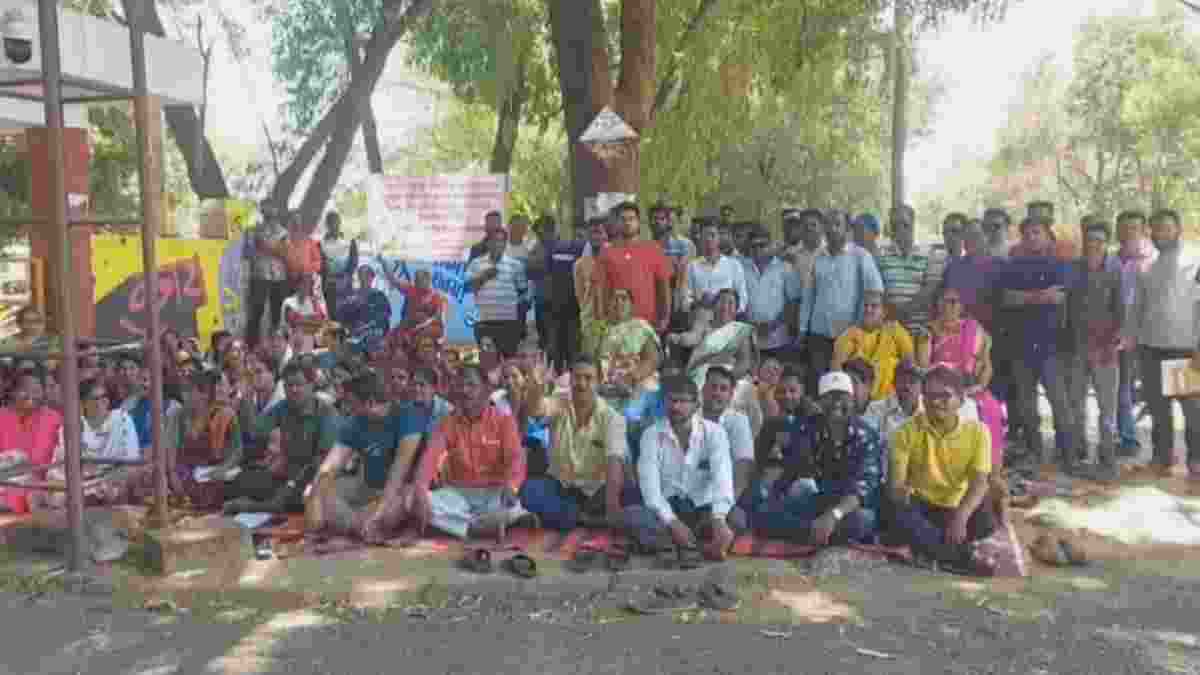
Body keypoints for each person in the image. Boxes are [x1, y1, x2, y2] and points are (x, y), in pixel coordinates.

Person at [744, 371, 884, 546]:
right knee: (765, 513)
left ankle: (812, 532)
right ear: (820, 402)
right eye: (830, 397)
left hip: (852, 508)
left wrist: (833, 516)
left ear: (852, 400)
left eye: (842, 397)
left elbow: (863, 487)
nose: (837, 403)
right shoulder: (809, 428)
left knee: (862, 521)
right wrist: (760, 500)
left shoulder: (866, 435)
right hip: (822, 500)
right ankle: (817, 532)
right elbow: (787, 469)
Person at [887, 365, 997, 576]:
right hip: (922, 506)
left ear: (961, 399)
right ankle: (960, 557)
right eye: (929, 396)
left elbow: (979, 483)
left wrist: (960, 518)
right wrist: (900, 492)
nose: (936, 403)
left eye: (944, 396)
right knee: (897, 512)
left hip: (956, 506)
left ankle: (935, 549)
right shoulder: (904, 433)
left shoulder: (978, 432)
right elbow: (895, 487)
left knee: (986, 516)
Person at [409, 365, 530, 541]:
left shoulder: (504, 420)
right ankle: (480, 526)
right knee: (415, 500)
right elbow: (430, 458)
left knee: (512, 506)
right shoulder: (448, 422)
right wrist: (420, 490)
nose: (464, 391)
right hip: (458, 494)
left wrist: (512, 486)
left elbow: (516, 458)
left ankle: (465, 525)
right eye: (461, 385)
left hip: (494, 494)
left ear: (486, 389)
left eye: (471, 385)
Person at [305, 374, 429, 543]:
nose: (346, 408)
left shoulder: (408, 415)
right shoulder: (354, 422)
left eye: (351, 403)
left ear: (370, 402)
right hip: (365, 489)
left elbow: (399, 470)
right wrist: (314, 498)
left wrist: (378, 513)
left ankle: (358, 524)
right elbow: (330, 467)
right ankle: (360, 525)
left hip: (399, 491)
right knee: (314, 491)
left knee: (392, 510)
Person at [519, 357, 637, 532]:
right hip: (560, 486)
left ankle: (571, 518)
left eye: (588, 378)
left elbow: (614, 464)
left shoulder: (613, 418)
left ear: (599, 381)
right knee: (529, 491)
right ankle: (582, 519)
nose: (581, 384)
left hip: (597, 491)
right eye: (576, 377)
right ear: (570, 379)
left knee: (630, 493)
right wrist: (536, 388)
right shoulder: (559, 403)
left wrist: (612, 508)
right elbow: (536, 410)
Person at [626, 375, 736, 559]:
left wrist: (719, 518)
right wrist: (672, 522)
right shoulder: (651, 435)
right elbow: (650, 490)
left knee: (736, 518)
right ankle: (690, 544)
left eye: (683, 401)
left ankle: (674, 544)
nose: (676, 407)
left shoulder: (715, 433)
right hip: (666, 509)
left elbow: (722, 478)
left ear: (696, 405)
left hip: (702, 510)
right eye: (671, 401)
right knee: (633, 516)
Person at [1127, 209, 1200, 476]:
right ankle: (1162, 457)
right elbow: (1138, 308)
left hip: (1184, 348)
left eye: (1166, 228)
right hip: (1151, 348)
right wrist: (1133, 341)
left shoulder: (1195, 260)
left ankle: (1196, 460)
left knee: (1192, 410)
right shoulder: (1147, 265)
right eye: (1156, 229)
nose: (1161, 234)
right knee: (1159, 410)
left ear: (1178, 229)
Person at [994, 216, 1071, 464]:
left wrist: (1025, 297)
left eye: (1036, 232)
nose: (1031, 237)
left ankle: (1067, 452)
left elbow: (1058, 298)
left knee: (1059, 401)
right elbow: (1007, 298)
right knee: (1027, 404)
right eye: (1027, 234)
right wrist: (1040, 296)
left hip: (1051, 346)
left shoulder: (1059, 264)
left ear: (1048, 236)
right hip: (1021, 345)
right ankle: (1034, 451)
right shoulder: (1013, 265)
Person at [225, 362, 341, 514]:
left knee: (292, 498)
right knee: (240, 481)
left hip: (315, 477)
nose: (293, 390)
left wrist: (292, 484)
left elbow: (321, 461)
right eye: (288, 385)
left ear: (311, 385)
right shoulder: (284, 406)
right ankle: (259, 505)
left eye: (298, 384)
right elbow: (254, 431)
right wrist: (246, 398)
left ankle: (251, 507)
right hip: (286, 473)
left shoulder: (327, 413)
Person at [1058, 221, 1124, 480]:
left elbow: (1121, 310)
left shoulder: (1115, 269)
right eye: (1089, 239)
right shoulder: (1074, 268)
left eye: (1098, 239)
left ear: (1106, 242)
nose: (1093, 244)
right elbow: (1066, 307)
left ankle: (1108, 459)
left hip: (1105, 350)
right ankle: (1078, 455)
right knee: (1076, 406)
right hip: (1076, 349)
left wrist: (1114, 342)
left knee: (1107, 408)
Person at [916, 285, 1006, 470]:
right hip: (940, 388)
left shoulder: (974, 329)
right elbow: (923, 367)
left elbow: (986, 365)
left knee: (992, 409)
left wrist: (980, 386)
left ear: (961, 306)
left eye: (953, 302)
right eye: (944, 301)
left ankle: (990, 469)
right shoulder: (927, 331)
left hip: (971, 387)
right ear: (937, 304)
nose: (948, 306)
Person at [798, 210, 884, 397]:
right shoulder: (818, 257)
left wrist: (866, 326)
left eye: (837, 224)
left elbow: (875, 291)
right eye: (828, 224)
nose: (831, 229)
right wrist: (803, 329)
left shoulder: (861, 256)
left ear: (847, 229)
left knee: (848, 388)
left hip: (851, 336)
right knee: (821, 387)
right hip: (819, 336)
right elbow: (808, 296)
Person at [594, 202, 673, 335]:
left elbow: (664, 285)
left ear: (638, 222)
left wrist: (665, 318)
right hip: (616, 325)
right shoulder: (606, 252)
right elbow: (600, 289)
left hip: (647, 324)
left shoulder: (653, 249)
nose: (627, 223)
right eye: (623, 219)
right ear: (616, 223)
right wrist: (601, 320)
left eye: (631, 219)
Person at [1114, 209, 1156, 456]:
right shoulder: (1111, 261)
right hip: (1121, 339)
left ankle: (1167, 447)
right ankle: (1128, 439)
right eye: (1124, 228)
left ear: (1143, 231)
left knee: (1162, 394)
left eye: (1134, 228)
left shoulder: (1154, 260)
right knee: (1123, 391)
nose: (1129, 233)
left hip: (1152, 339)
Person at [832, 290, 914, 402]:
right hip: (858, 400)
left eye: (874, 306)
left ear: (884, 312)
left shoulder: (896, 331)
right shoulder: (849, 335)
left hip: (891, 400)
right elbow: (837, 370)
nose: (868, 310)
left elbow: (909, 365)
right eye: (865, 306)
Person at [0, 373, 64, 513]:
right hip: (6, 481)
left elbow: (60, 458)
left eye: (36, 390)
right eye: (25, 389)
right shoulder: (2, 416)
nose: (30, 395)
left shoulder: (54, 418)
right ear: (13, 392)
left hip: (41, 486)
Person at [466, 226, 528, 357]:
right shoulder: (476, 263)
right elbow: (467, 287)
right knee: (487, 359)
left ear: (505, 243)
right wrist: (483, 276)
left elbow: (523, 293)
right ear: (488, 243)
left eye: (501, 241)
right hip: (484, 323)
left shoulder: (515, 265)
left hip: (508, 323)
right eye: (494, 241)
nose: (498, 244)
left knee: (509, 361)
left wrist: (520, 324)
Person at [876, 204, 937, 335]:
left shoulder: (927, 255)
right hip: (890, 333)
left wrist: (903, 313)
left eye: (904, 224)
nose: (899, 229)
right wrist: (894, 314)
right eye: (894, 225)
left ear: (913, 225)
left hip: (920, 333)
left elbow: (929, 290)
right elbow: (879, 292)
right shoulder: (881, 256)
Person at [535, 217, 586, 372]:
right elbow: (543, 272)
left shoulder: (578, 249)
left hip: (574, 310)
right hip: (552, 310)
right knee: (554, 354)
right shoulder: (548, 251)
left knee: (573, 353)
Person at [742, 227, 801, 362]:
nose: (758, 249)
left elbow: (793, 302)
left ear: (770, 245)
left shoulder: (785, 268)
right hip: (750, 340)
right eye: (754, 246)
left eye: (762, 245)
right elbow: (739, 301)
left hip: (778, 339)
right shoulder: (741, 268)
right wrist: (751, 326)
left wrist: (774, 325)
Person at [701, 366, 756, 507]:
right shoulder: (689, 418)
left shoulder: (738, 421)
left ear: (731, 395)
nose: (717, 393)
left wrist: (723, 509)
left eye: (723, 389)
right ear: (703, 390)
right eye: (713, 387)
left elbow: (743, 468)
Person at [245, 202, 291, 350]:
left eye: (272, 207)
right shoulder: (253, 230)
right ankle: (252, 347)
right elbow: (248, 252)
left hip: (279, 277)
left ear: (276, 210)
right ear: (261, 210)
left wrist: (266, 247)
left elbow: (285, 254)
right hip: (259, 275)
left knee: (277, 315)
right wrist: (276, 248)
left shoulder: (283, 232)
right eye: (266, 208)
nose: (269, 210)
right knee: (255, 313)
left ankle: (276, 347)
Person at [599, 288, 661, 393]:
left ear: (631, 305)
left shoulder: (641, 326)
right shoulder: (600, 329)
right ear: (608, 305)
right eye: (614, 299)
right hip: (604, 383)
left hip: (636, 380)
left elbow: (652, 359)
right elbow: (589, 360)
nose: (619, 302)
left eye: (624, 298)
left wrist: (632, 378)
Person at [650, 202, 696, 334]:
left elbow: (683, 275)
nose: (657, 222)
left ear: (668, 221)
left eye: (661, 219)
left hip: (677, 304)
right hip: (654, 304)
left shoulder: (684, 245)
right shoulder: (645, 246)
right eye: (654, 219)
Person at [687, 221, 748, 315]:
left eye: (712, 235)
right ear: (700, 238)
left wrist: (727, 309)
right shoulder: (692, 266)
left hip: (727, 322)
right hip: (700, 320)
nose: (708, 239)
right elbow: (686, 298)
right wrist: (698, 303)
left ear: (719, 238)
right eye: (705, 235)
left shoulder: (734, 265)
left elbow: (742, 298)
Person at [335, 265, 392, 355]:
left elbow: (385, 317)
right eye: (361, 275)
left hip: (372, 334)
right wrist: (350, 305)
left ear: (372, 277)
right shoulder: (351, 295)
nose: (363, 278)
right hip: (354, 334)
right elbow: (341, 315)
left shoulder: (379, 295)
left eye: (366, 275)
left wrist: (368, 326)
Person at [575, 217, 611, 358]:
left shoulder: (614, 261)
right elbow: (580, 296)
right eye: (592, 233)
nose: (596, 236)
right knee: (590, 359)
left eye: (599, 232)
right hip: (589, 323)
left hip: (611, 320)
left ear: (606, 235)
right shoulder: (580, 264)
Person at [863, 358, 923, 440]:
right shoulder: (875, 409)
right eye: (902, 381)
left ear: (922, 385)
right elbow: (868, 441)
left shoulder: (928, 410)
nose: (907, 386)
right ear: (894, 383)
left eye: (912, 381)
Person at [320, 211, 358, 321]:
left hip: (345, 284)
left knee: (346, 314)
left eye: (336, 222)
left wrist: (345, 276)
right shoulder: (321, 243)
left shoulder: (349, 241)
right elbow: (319, 265)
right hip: (329, 285)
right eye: (331, 223)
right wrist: (326, 271)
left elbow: (354, 262)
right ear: (327, 225)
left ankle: (344, 337)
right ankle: (334, 336)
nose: (334, 225)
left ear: (340, 223)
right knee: (332, 316)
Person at [281, 273, 328, 338]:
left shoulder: (313, 302)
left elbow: (321, 320)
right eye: (304, 284)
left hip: (310, 338)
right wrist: (310, 318)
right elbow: (293, 321)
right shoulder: (288, 301)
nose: (306, 287)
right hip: (291, 337)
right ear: (297, 285)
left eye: (309, 284)